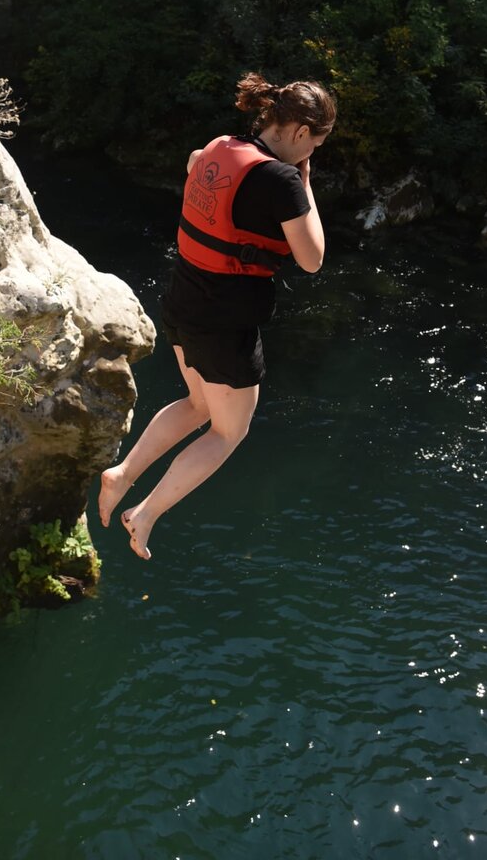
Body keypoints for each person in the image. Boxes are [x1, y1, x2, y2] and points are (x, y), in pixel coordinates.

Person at [97, 71, 336, 559]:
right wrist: (305, 188)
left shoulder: (220, 145)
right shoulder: (283, 179)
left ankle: (121, 474)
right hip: (225, 321)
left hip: (182, 302)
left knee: (198, 404)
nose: (311, 155)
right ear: (298, 133)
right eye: (314, 145)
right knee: (229, 431)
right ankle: (144, 514)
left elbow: (193, 166)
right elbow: (312, 259)